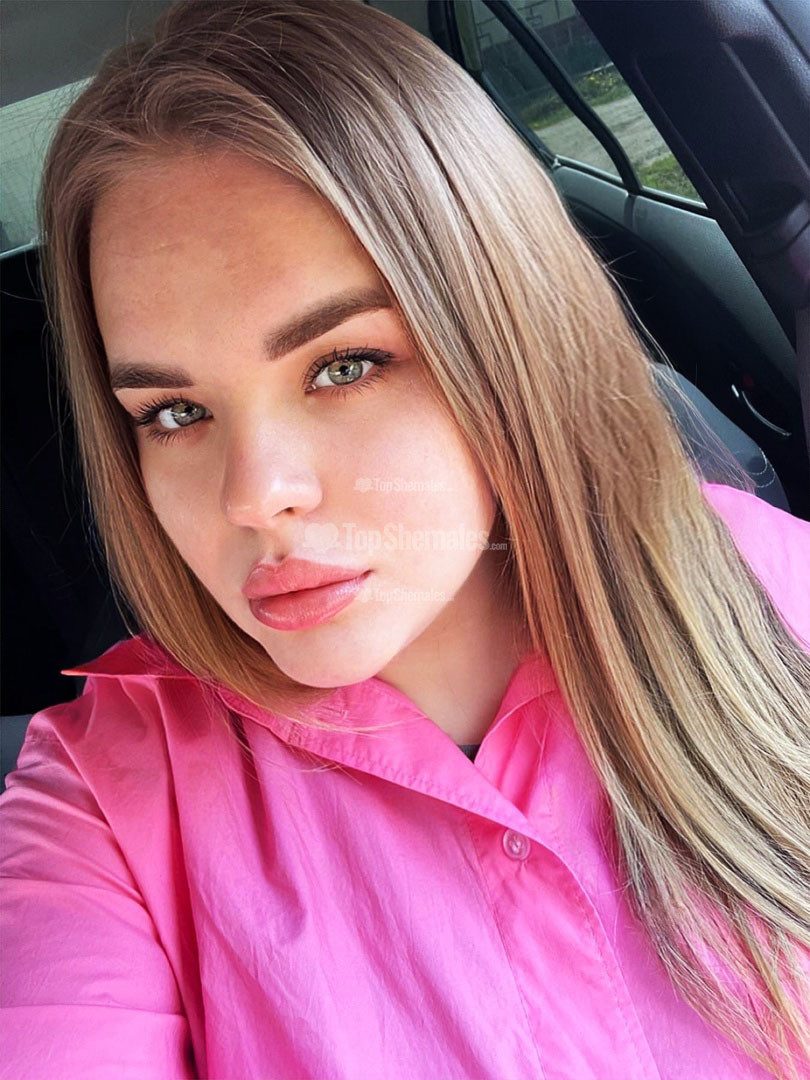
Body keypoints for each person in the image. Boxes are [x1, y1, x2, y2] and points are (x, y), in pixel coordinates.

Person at [1, 1, 808, 1077]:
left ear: (505, 333)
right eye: (175, 413)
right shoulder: (104, 794)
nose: (255, 497)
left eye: (344, 365)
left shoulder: (772, 595)